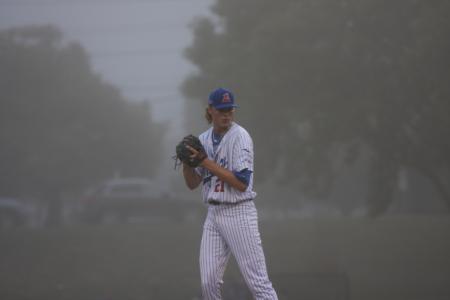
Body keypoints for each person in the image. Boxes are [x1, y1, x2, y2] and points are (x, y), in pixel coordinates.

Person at [181, 88, 278, 299]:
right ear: (210, 110)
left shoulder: (240, 137)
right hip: (213, 215)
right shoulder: (203, 139)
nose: (227, 114)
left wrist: (204, 161)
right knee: (208, 283)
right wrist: (187, 164)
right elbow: (192, 184)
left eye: (230, 110)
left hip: (239, 213)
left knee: (258, 283)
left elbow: (242, 182)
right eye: (222, 110)